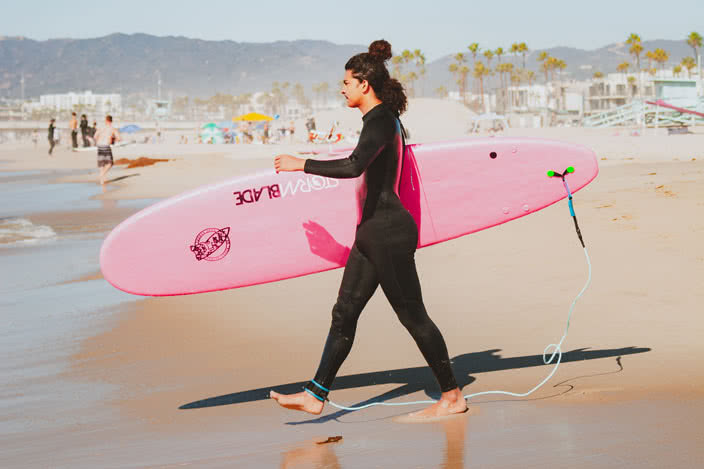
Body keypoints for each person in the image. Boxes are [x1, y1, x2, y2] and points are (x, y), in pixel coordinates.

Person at [271, 40, 467, 420]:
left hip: (389, 234)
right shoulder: (378, 121)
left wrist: (302, 164)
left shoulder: (380, 121)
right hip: (371, 233)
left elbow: (353, 167)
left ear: (364, 83)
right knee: (344, 313)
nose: (341, 88)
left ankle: (453, 395)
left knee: (413, 316)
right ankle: (316, 394)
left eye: (346, 82)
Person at [93, 115, 121, 185]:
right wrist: (113, 139)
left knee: (102, 163)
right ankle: (102, 175)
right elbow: (119, 138)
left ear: (106, 120)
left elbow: (95, 136)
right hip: (106, 146)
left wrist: (99, 140)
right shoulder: (112, 128)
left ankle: (102, 180)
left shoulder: (101, 128)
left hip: (100, 146)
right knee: (110, 163)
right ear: (111, 121)